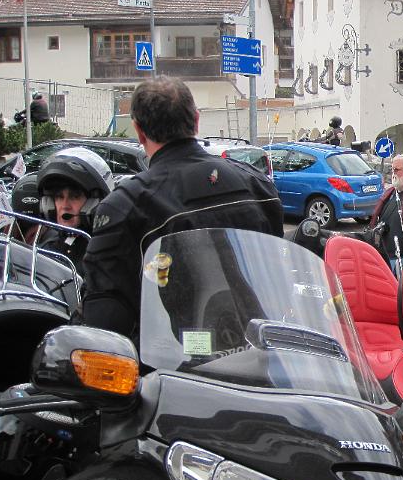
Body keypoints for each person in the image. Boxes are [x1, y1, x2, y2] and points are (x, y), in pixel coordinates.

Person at [82, 76, 284, 338]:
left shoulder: (127, 205)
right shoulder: (257, 184)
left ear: (139, 131)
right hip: (259, 347)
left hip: (174, 364)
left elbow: (105, 317)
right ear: (196, 121)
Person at [35, 148, 114, 275]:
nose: (65, 206)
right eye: (59, 197)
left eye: (74, 197)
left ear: (93, 203)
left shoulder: (105, 254)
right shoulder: (46, 248)